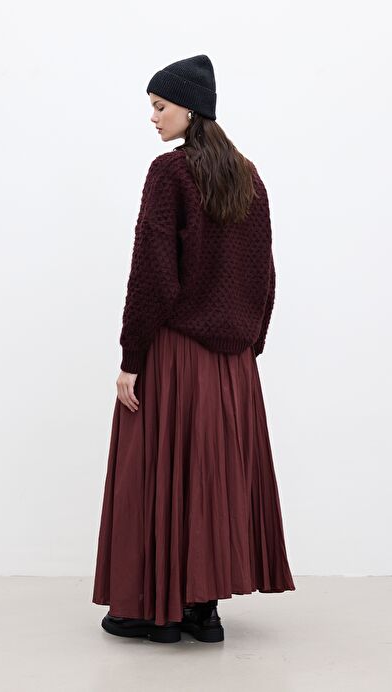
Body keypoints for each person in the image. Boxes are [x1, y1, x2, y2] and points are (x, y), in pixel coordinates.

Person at [92, 54, 295, 644]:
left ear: (190, 108)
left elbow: (152, 274)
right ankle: (203, 613)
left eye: (160, 106)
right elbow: (264, 274)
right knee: (212, 480)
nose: (153, 118)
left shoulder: (170, 173)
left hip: (177, 355)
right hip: (233, 365)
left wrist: (131, 359)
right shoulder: (247, 176)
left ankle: (155, 613)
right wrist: (248, 347)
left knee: (156, 472)